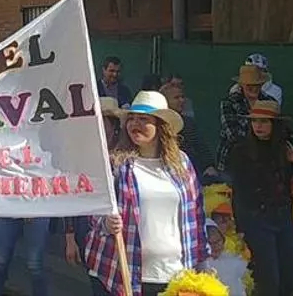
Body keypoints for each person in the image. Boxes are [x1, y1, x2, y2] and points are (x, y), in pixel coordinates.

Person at [86, 91, 207, 296]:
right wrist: (105, 223)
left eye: (143, 119)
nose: (135, 124)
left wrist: (202, 262)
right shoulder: (116, 163)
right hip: (123, 272)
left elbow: (196, 212)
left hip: (175, 274)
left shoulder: (182, 163)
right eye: (131, 119)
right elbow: (94, 208)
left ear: (161, 126)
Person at [227, 100, 293, 294]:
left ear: (274, 124)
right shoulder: (241, 151)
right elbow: (240, 192)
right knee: (269, 277)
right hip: (257, 218)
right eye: (255, 121)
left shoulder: (284, 149)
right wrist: (242, 225)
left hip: (283, 216)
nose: (258, 126)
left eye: (264, 121)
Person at [64, 97, 123, 275]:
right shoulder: (81, 155)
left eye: (101, 121)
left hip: (120, 229)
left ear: (113, 126)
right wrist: (69, 237)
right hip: (87, 226)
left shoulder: (126, 155)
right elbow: (71, 198)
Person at [215, 65, 276, 173]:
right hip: (232, 162)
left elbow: (276, 131)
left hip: (266, 162)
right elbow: (233, 135)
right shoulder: (229, 102)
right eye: (249, 85)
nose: (254, 88)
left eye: (257, 84)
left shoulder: (270, 102)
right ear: (241, 85)